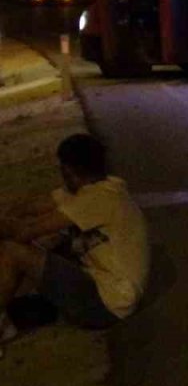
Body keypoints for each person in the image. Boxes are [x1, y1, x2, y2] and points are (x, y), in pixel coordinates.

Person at [0, 135, 150, 357]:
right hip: (104, 287)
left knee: (15, 251)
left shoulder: (98, 199)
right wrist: (9, 218)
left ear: (69, 170)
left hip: (107, 304)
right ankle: (8, 320)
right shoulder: (101, 187)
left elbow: (26, 231)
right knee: (50, 243)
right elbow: (31, 207)